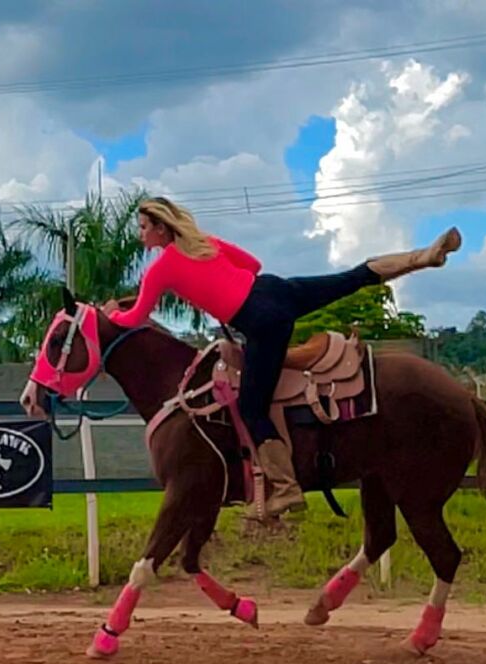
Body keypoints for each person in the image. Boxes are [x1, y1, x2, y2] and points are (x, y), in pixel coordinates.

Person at [103, 196, 461, 518]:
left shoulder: (162, 268)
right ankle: (424, 257)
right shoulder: (205, 244)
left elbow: (134, 318)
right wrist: (224, 288)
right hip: (274, 289)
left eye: (144, 227)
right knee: (350, 278)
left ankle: (286, 490)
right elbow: (253, 264)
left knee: (251, 409)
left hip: (261, 321)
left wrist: (109, 315)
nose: (140, 234)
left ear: (161, 228)